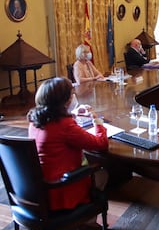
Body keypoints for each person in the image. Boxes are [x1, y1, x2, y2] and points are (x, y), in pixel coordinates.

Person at [27, 77, 108, 210]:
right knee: (102, 174)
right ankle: (87, 222)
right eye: (71, 94)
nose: (73, 97)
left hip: (38, 190)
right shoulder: (65, 125)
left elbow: (56, 133)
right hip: (61, 190)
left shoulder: (35, 121)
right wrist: (97, 121)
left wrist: (72, 114)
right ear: (65, 100)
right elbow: (101, 143)